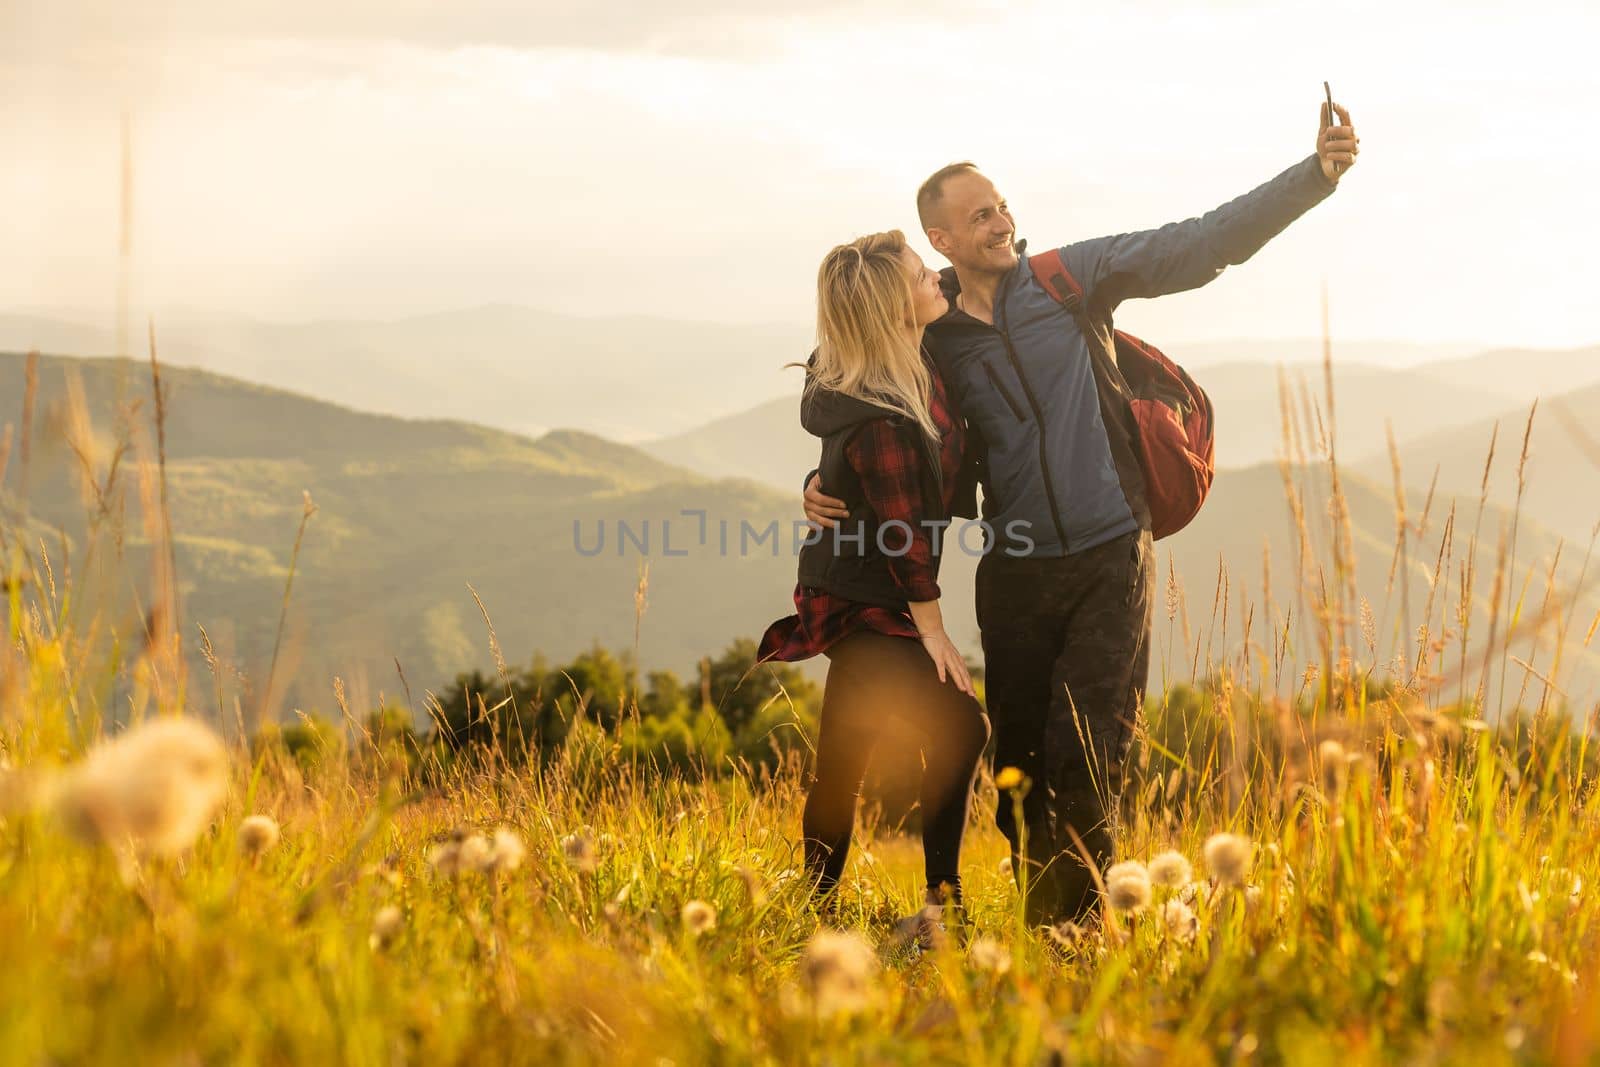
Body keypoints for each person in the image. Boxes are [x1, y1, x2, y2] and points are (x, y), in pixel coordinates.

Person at [804, 100, 1361, 925]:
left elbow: (1202, 242)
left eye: (1000, 205)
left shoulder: (1071, 279)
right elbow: (842, 369)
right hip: (1016, 569)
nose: (1000, 221)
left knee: (1090, 757)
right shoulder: (930, 326)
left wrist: (1315, 176)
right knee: (1020, 769)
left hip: (1109, 555)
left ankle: (1080, 932)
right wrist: (827, 482)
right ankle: (1044, 928)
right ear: (944, 242)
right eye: (977, 215)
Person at [757, 230, 991, 938]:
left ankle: (819, 910)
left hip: (856, 585)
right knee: (960, 723)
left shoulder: (886, 362)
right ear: (894, 309)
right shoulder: (886, 413)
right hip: (869, 597)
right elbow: (901, 533)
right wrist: (934, 630)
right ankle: (940, 905)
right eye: (925, 277)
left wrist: (820, 483)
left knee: (843, 759)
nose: (940, 284)